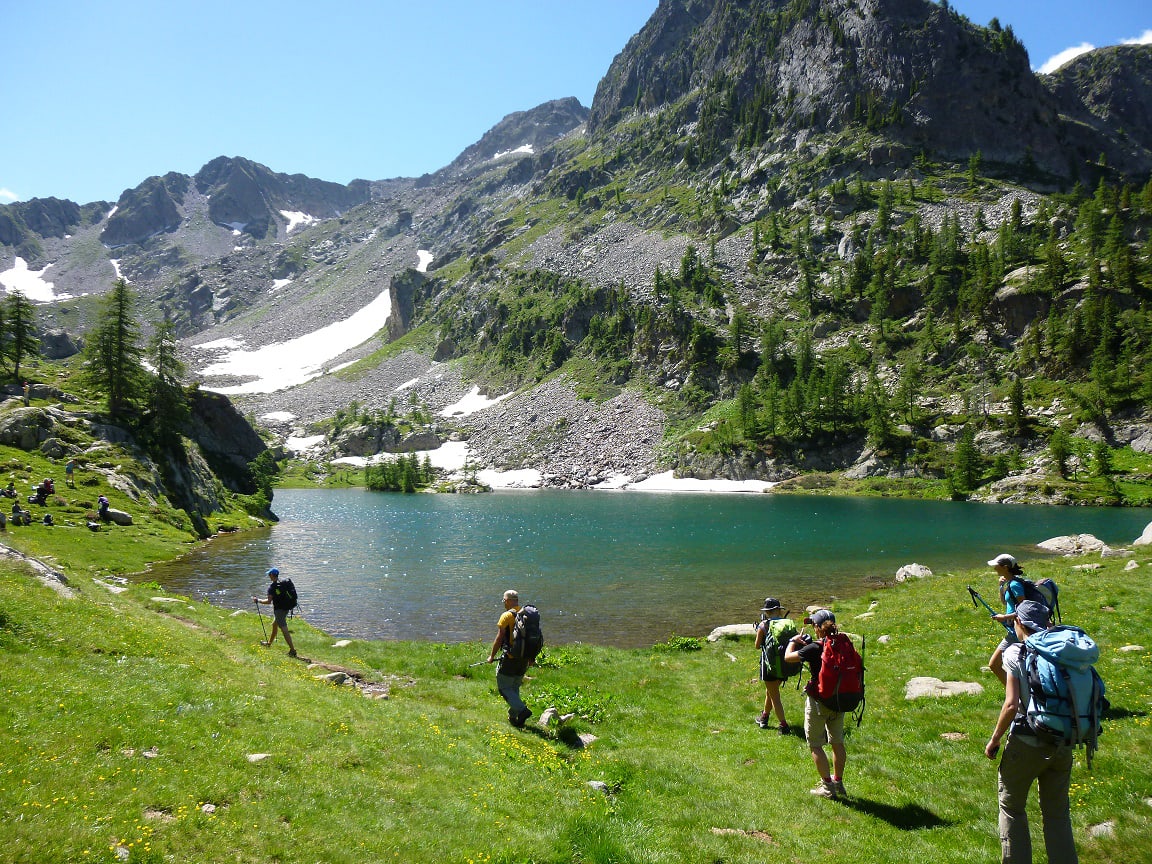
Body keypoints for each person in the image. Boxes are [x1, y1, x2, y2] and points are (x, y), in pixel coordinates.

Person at [985, 600, 1077, 864]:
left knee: (1012, 808)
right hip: (1063, 740)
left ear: (1020, 624)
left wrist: (994, 739)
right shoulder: (1063, 650)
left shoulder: (1015, 653)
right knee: (1057, 814)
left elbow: (1011, 704)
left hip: (1027, 741)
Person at [784, 609, 847, 800]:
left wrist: (792, 641)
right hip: (840, 699)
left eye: (813, 625)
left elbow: (788, 657)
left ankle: (827, 788)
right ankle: (838, 782)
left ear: (818, 628)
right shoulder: (843, 643)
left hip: (819, 702)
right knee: (837, 742)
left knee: (815, 744)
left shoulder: (814, 648)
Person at [486, 589, 532, 727]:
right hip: (523, 658)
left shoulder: (506, 616)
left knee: (504, 687)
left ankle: (523, 711)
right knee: (514, 686)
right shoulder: (527, 614)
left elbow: (500, 637)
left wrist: (492, 656)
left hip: (510, 658)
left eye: (504, 601)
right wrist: (531, 657)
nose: (504, 603)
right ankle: (514, 716)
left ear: (507, 600)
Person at [753, 597, 793, 733]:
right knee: (770, 692)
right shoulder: (788, 623)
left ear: (767, 612)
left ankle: (783, 725)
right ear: (778, 610)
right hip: (784, 664)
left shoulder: (763, 625)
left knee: (775, 696)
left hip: (769, 665)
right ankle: (764, 718)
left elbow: (757, 646)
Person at [988, 553, 1028, 685]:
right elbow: (1006, 603)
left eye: (996, 566)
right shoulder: (1010, 583)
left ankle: (1015, 693)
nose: (994, 569)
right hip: (1014, 628)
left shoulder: (1015, 585)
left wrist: (1004, 617)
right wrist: (1001, 588)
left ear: (1005, 567)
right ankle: (1017, 692)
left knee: (994, 664)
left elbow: (1024, 611)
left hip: (1018, 630)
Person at [252, 567, 297, 657]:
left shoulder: (272, 587)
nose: (269, 576)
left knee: (283, 628)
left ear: (272, 575)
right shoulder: (284, 582)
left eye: (269, 574)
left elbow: (268, 602)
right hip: (287, 608)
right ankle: (269, 643)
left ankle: (292, 650)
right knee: (274, 624)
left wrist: (258, 600)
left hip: (279, 610)